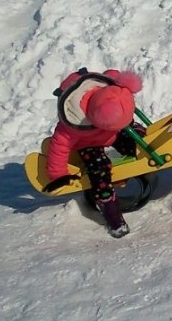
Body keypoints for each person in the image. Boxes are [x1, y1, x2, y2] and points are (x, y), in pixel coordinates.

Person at [43, 68, 144, 238]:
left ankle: (133, 134)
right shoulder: (72, 125)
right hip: (89, 144)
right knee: (99, 168)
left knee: (139, 142)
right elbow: (58, 148)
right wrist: (58, 175)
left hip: (114, 131)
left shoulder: (111, 90)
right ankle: (111, 211)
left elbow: (112, 74)